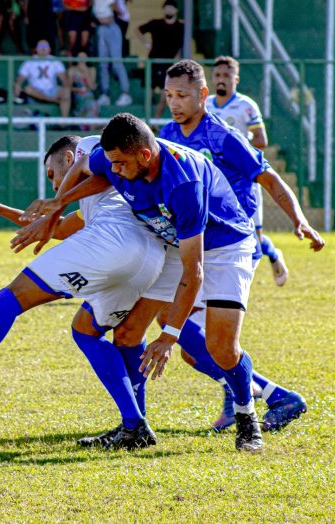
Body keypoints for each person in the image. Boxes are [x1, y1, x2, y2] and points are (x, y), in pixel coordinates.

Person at [0, 135, 168, 450]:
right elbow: (62, 227)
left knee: (9, 298)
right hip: (149, 260)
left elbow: (92, 178)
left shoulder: (91, 147)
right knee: (90, 333)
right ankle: (136, 425)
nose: (54, 186)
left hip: (111, 242)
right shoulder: (109, 196)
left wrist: (58, 202)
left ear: (68, 158)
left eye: (52, 174)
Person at [15, 113, 267, 452]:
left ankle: (246, 413)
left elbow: (194, 271)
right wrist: (59, 203)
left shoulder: (183, 186)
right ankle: (135, 430)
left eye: (120, 164)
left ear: (145, 156)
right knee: (128, 334)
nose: (114, 170)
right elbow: (93, 169)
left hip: (223, 247)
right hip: (174, 242)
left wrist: (168, 337)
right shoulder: (121, 156)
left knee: (222, 348)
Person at [158, 59, 325, 430]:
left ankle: (257, 398)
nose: (175, 102)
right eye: (169, 95)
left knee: (205, 338)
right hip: (196, 243)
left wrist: (300, 220)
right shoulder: (167, 133)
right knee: (192, 344)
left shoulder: (222, 136)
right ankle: (256, 396)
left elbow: (269, 178)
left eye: (183, 95)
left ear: (202, 94)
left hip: (233, 242)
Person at [207, 55, 288, 286]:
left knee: (253, 235)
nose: (221, 80)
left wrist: (238, 145)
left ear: (236, 78)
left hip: (242, 179)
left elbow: (262, 139)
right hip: (215, 181)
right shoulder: (206, 105)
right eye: (218, 75)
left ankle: (272, 254)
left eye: (226, 75)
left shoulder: (246, 105)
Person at [134, 0, 183, 119]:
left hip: (169, 65)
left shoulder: (181, 27)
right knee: (149, 93)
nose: (169, 10)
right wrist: (146, 43)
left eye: (171, 8)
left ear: (176, 10)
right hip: (153, 63)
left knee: (164, 95)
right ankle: (146, 120)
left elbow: (182, 46)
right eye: (167, 7)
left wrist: (177, 59)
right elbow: (138, 30)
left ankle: (155, 121)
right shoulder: (156, 23)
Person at [13, 40, 71, 118]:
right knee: (27, 89)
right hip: (36, 92)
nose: (43, 49)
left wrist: (67, 88)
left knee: (66, 92)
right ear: (36, 49)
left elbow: (64, 80)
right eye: (40, 47)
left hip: (52, 90)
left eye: (45, 47)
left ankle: (64, 123)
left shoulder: (55, 61)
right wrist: (17, 86)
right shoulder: (29, 62)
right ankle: (53, 100)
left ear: (50, 49)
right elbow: (19, 80)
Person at [92, 0, 131, 108]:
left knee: (116, 62)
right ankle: (105, 94)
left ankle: (125, 93)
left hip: (112, 28)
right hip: (101, 28)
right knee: (103, 63)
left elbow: (121, 12)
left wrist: (112, 11)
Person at [67, 52, 100, 124]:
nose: (82, 59)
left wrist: (85, 72)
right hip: (77, 95)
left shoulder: (92, 69)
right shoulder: (72, 69)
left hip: (89, 95)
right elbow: (68, 87)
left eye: (84, 57)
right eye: (80, 57)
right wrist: (78, 90)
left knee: (92, 103)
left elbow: (92, 86)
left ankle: (91, 125)